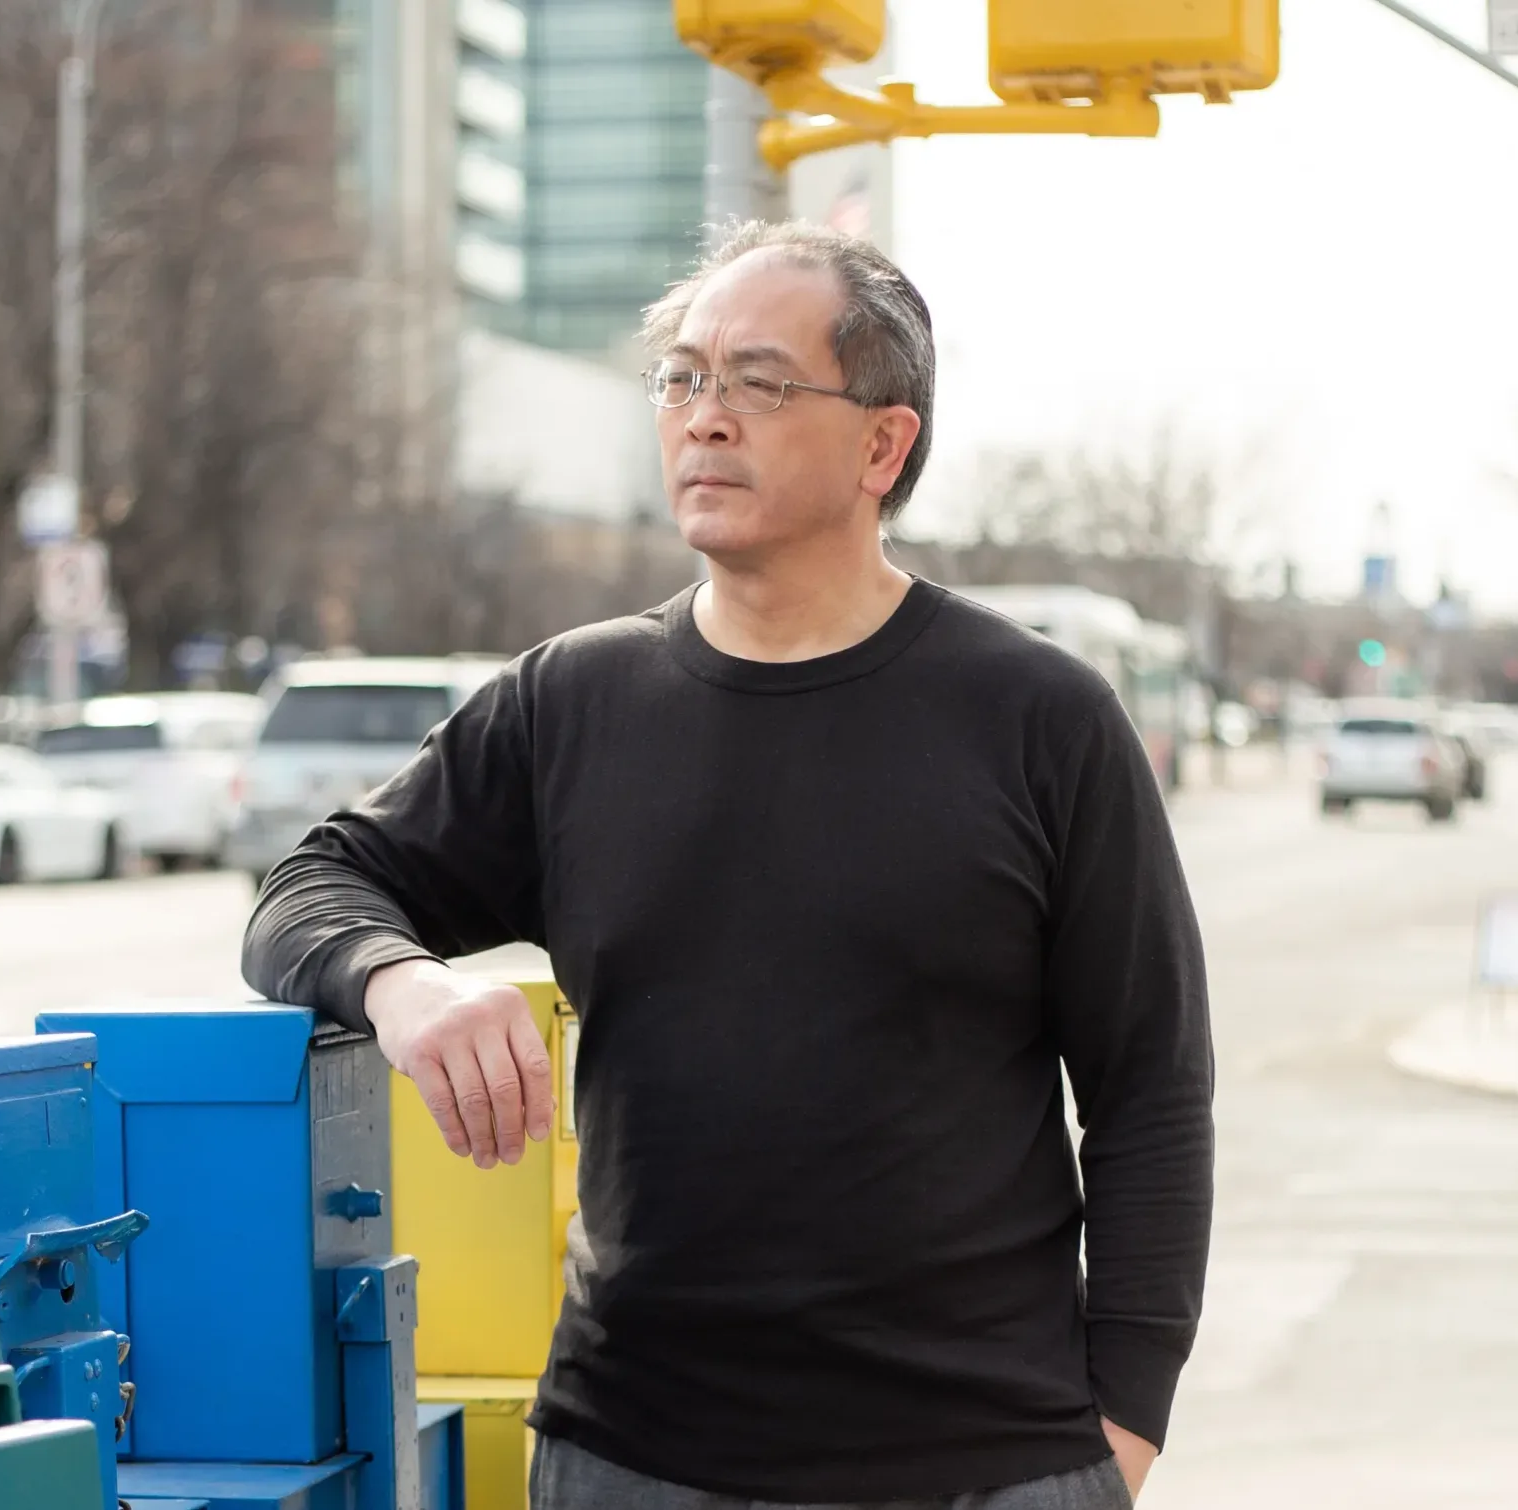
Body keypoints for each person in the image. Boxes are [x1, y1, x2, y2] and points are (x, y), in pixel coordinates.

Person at [244, 221, 1212, 1509]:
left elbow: (1151, 1094)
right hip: (630, 1455)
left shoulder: (1041, 718)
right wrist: (401, 984)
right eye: (683, 378)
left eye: (759, 382)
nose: (704, 417)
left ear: (883, 446)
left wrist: (1124, 1428)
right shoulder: (572, 703)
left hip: (981, 1463)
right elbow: (308, 888)